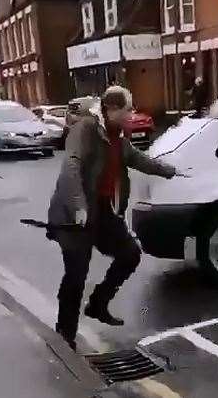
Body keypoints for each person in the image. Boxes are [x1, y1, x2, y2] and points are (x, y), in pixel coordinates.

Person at [48, 86, 179, 351]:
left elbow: (139, 159)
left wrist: (174, 172)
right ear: (112, 109)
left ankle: (97, 304)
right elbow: (71, 167)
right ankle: (65, 332)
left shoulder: (117, 137)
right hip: (74, 214)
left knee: (130, 254)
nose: (132, 113)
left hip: (104, 211)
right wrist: (78, 207)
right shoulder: (84, 129)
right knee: (76, 274)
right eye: (128, 109)